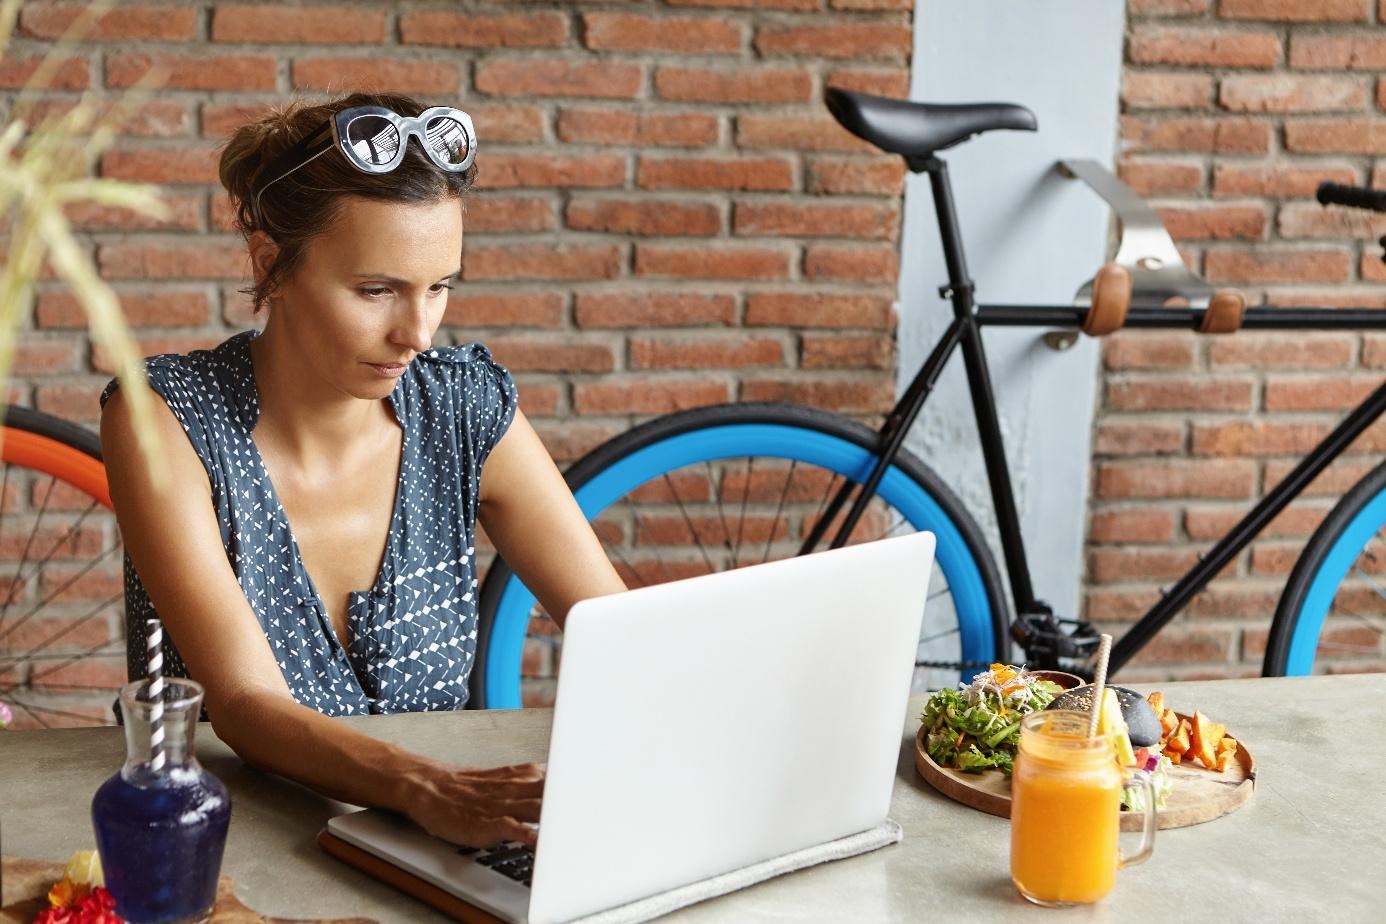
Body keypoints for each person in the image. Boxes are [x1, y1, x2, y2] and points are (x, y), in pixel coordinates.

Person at [99, 92, 627, 849]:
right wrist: (424, 788)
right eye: (377, 290)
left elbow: (618, 632)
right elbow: (245, 701)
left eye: (440, 286)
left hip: (443, 844)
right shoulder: (167, 419)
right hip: (228, 848)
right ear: (270, 265)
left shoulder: (463, 408)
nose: (417, 330)